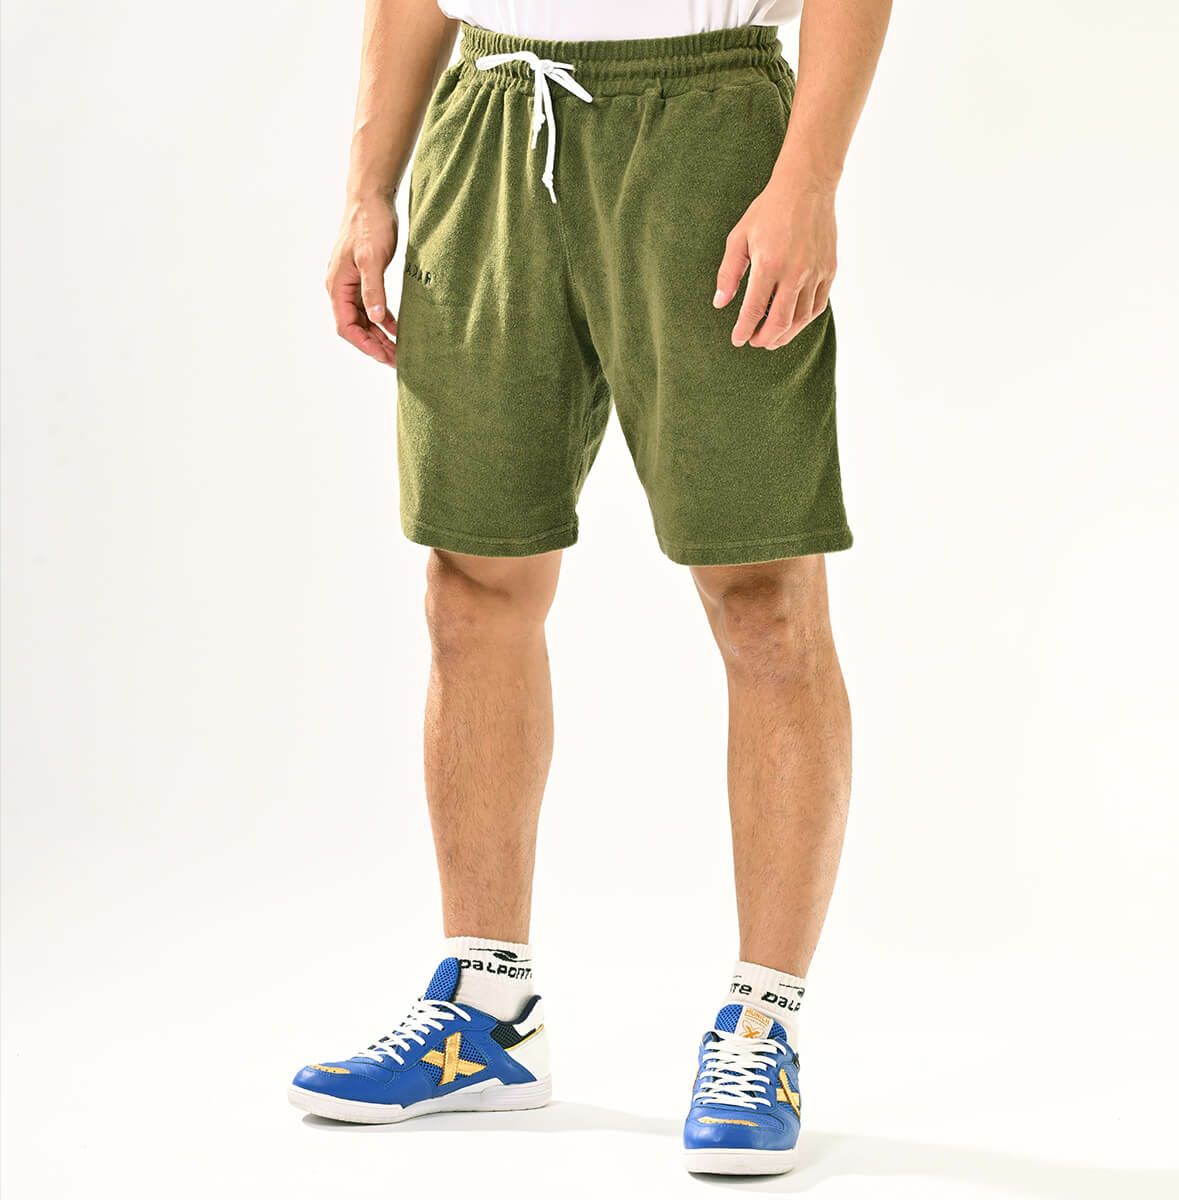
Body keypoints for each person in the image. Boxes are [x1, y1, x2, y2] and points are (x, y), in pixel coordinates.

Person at [289, 0, 890, 1176]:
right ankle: (486, 1012)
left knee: (763, 596)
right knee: (471, 581)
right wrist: (367, 187)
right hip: (492, 119)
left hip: (711, 124)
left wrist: (809, 177)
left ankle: (762, 1021)